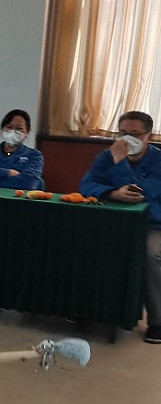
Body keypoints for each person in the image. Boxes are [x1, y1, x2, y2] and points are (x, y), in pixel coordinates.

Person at [80, 110, 161, 344]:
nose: (128, 139)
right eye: (123, 133)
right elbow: (86, 185)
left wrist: (119, 164)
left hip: (152, 225)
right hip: (114, 223)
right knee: (84, 242)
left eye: (135, 134)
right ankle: (88, 310)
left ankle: (157, 321)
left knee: (150, 253)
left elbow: (141, 193)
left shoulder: (157, 160)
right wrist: (112, 193)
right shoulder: (107, 156)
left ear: (148, 136)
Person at [0, 109, 44, 189]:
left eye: (19, 128)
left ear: (27, 132)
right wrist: (9, 172)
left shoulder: (34, 155)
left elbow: (28, 183)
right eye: (9, 127)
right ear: (2, 130)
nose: (13, 132)